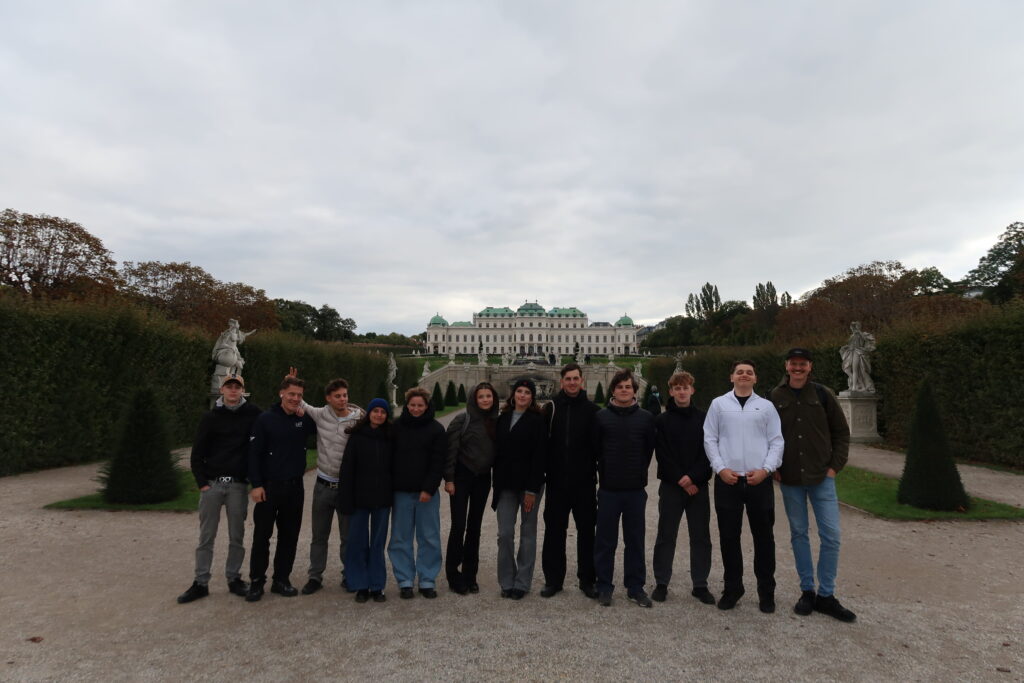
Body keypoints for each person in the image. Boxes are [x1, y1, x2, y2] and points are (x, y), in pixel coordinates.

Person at [770, 348, 856, 622]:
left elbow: (841, 432)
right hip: (790, 477)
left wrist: (835, 467)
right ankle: (807, 590)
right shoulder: (775, 396)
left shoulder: (823, 394)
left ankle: (826, 594)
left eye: (802, 364)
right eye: (793, 363)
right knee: (799, 534)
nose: (798, 368)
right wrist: (773, 467)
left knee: (831, 536)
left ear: (810, 366)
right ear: (787, 366)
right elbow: (767, 435)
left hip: (821, 476)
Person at [703, 360, 784, 613]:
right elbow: (710, 438)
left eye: (749, 372)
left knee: (764, 538)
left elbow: (777, 441)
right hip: (728, 480)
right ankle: (733, 588)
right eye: (740, 372)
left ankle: (766, 591)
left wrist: (766, 470)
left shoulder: (766, 406)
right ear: (732, 377)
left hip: (758, 480)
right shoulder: (719, 404)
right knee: (729, 538)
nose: (744, 375)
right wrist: (720, 468)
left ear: (755, 378)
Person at [177, 374, 261, 603]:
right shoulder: (210, 417)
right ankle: (201, 582)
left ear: (242, 390)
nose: (233, 390)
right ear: (222, 390)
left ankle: (234, 578)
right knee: (206, 536)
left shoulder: (253, 414)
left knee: (236, 536)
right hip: (213, 484)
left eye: (237, 387)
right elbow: (197, 453)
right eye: (229, 386)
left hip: (237, 485)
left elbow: (275, 416)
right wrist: (202, 483)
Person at [289, 371, 364, 596]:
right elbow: (299, 401)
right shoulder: (321, 414)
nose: (342, 399)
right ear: (328, 398)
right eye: (338, 396)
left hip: (346, 487)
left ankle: (348, 574)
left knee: (347, 537)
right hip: (323, 485)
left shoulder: (359, 419)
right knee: (319, 536)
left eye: (345, 395)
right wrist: (291, 382)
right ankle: (315, 576)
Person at [245, 377, 317, 602]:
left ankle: (281, 579)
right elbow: (253, 454)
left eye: (299, 395)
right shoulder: (265, 419)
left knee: (289, 536)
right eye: (291, 394)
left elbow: (327, 423)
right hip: (269, 487)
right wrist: (256, 484)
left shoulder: (303, 420)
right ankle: (257, 581)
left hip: (294, 487)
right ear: (281, 393)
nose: (295, 398)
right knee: (262, 536)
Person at [593, 370, 657, 607]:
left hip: (634, 490)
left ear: (634, 391)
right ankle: (604, 586)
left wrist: (638, 471)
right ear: (613, 390)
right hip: (609, 489)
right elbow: (595, 449)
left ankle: (635, 587)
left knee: (635, 540)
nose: (624, 390)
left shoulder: (646, 418)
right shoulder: (601, 417)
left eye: (628, 387)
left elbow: (649, 450)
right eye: (620, 387)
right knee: (605, 541)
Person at [651, 371, 715, 605]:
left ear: (692, 390)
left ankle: (700, 584)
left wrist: (693, 478)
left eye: (685, 387)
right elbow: (662, 454)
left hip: (697, 486)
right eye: (677, 388)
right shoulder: (661, 421)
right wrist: (682, 479)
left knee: (701, 536)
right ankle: (661, 582)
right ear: (671, 391)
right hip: (672, 486)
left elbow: (709, 452)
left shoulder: (705, 418)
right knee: (666, 535)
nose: (681, 391)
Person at [539, 363, 600, 599]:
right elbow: (542, 444)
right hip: (556, 482)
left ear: (581, 381)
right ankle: (553, 580)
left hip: (584, 482)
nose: (572, 382)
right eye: (568, 379)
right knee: (554, 531)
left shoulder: (593, 411)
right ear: (562, 381)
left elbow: (600, 448)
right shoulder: (551, 408)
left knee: (587, 531)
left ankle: (587, 579)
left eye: (576, 378)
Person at [389, 387, 446, 599]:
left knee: (429, 537)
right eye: (412, 405)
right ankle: (405, 580)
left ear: (427, 406)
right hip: (401, 491)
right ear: (407, 405)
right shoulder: (396, 427)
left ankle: (427, 579)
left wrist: (428, 488)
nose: (415, 409)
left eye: (420, 405)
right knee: (400, 537)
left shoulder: (436, 429)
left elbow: (438, 462)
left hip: (426, 493)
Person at [492, 378, 546, 599]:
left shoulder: (538, 421)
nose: (523, 395)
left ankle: (522, 583)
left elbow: (540, 456)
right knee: (505, 534)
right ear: (513, 394)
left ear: (532, 397)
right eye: (519, 391)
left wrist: (532, 490)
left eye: (527, 392)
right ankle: (506, 580)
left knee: (527, 533)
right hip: (506, 485)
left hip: (529, 486)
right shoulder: (502, 418)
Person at [444, 382, 499, 595]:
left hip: (482, 479)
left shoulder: (496, 421)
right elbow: (450, 451)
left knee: (474, 527)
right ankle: (453, 574)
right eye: (481, 396)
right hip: (461, 477)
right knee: (458, 526)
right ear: (474, 399)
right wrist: (449, 479)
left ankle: (470, 575)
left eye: (488, 396)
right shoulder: (462, 419)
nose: (485, 400)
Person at [338, 398, 394, 603]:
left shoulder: (390, 437)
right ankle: (361, 584)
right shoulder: (357, 437)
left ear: (387, 415)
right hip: (359, 498)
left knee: (377, 544)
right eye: (375, 411)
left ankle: (377, 586)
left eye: (383, 412)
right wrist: (346, 498)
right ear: (369, 413)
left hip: (382, 498)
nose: (379, 415)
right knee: (358, 542)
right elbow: (347, 469)